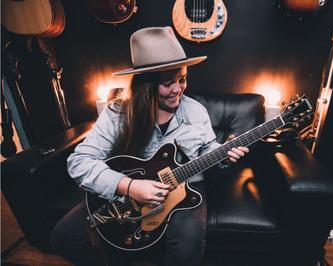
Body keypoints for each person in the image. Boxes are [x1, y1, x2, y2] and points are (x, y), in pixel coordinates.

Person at [50, 26, 249, 266]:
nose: (178, 89)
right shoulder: (117, 115)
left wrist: (224, 153)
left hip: (186, 188)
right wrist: (129, 186)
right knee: (63, 236)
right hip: (125, 195)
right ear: (146, 86)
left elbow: (207, 150)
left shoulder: (196, 111)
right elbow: (79, 162)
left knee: (186, 245)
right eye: (168, 83)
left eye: (182, 79)